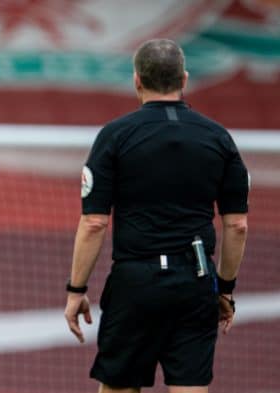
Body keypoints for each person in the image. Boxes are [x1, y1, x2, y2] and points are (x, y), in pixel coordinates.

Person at [64, 38, 249, 393]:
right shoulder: (219, 138)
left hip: (136, 282)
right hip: (195, 282)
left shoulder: (115, 135)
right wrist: (224, 289)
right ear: (184, 79)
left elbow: (94, 223)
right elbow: (237, 225)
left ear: (137, 80)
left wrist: (77, 290)